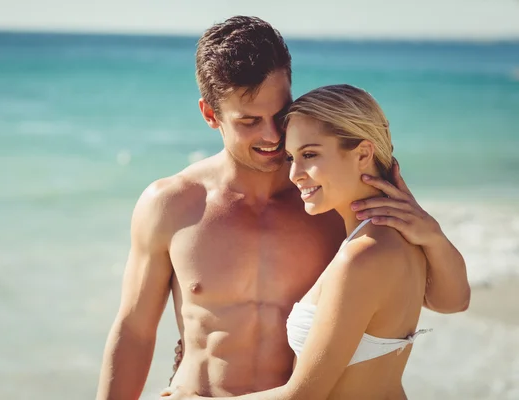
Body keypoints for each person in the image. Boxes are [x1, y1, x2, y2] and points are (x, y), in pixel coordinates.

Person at [95, 16, 470, 400]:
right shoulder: (171, 205)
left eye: (279, 113)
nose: (272, 135)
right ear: (211, 115)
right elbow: (135, 331)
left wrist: (433, 235)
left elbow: (442, 299)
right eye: (249, 121)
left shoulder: (329, 201)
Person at [162, 83, 436, 400]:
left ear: (362, 153)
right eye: (291, 157)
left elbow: (303, 396)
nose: (294, 173)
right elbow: (454, 299)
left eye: (309, 155)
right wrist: (435, 235)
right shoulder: (402, 238)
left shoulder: (361, 257)